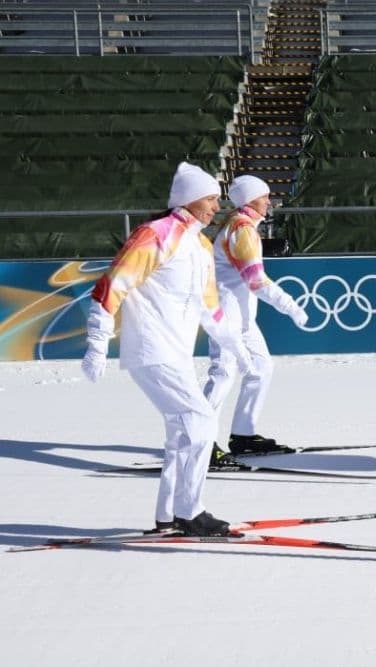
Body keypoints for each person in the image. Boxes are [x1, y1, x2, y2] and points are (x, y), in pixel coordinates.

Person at [81, 162, 252, 536]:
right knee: (200, 421)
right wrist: (97, 344)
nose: (215, 206)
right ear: (190, 199)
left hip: (176, 354)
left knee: (181, 431)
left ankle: (169, 515)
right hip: (152, 351)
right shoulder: (157, 234)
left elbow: (210, 306)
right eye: (209, 198)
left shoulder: (201, 243)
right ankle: (192, 513)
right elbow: (112, 286)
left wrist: (234, 345)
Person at [203, 174, 308, 464]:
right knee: (223, 374)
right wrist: (290, 306)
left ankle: (243, 435)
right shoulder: (241, 230)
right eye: (264, 196)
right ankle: (199, 440)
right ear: (250, 200)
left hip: (243, 318)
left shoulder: (245, 226)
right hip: (226, 316)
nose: (269, 201)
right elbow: (256, 281)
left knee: (260, 367)